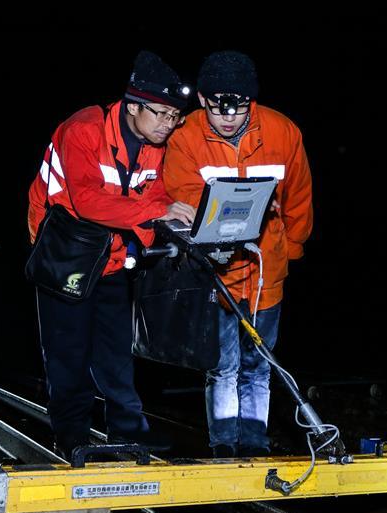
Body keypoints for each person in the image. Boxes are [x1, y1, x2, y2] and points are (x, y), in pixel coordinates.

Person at [28, 51, 196, 459]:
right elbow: (86, 200)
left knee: (116, 350)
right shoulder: (83, 129)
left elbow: (152, 193)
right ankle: (72, 436)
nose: (167, 125)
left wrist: (176, 218)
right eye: (160, 115)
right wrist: (156, 212)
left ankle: (130, 431)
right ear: (133, 106)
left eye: (174, 118)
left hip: (113, 253)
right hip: (64, 251)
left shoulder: (155, 144)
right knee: (68, 351)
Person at [163, 51, 313, 458]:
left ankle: (255, 443)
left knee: (259, 365)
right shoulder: (186, 137)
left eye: (238, 106)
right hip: (216, 274)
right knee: (223, 365)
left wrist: (290, 249)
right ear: (202, 101)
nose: (228, 117)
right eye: (217, 107)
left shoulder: (283, 132)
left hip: (267, 272)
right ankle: (225, 446)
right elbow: (181, 195)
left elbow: (299, 196)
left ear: (252, 101)